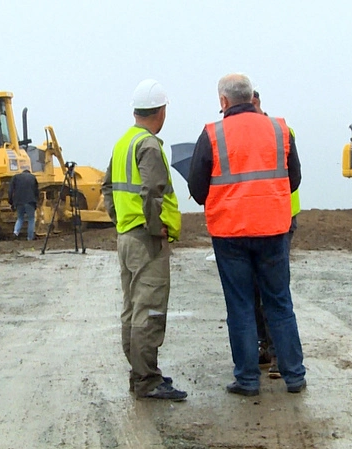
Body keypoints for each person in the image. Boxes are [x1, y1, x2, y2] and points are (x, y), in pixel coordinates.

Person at [187, 73, 306, 396]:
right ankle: (294, 376)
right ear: (252, 97)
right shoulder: (280, 130)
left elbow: (197, 188)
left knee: (240, 306)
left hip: (230, 233)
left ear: (223, 101)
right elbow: (293, 179)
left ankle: (247, 379)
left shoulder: (213, 134)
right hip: (273, 229)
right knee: (279, 303)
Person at [101, 79, 186, 401]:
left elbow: (107, 187)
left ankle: (140, 375)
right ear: (161, 111)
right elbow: (152, 190)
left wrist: (120, 220)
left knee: (132, 308)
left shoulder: (124, 142)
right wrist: (153, 228)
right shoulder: (148, 145)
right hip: (144, 239)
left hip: (127, 236)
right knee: (149, 310)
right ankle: (147, 380)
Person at [250, 89, 301, 380]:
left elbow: (293, 177)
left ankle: (279, 354)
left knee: (272, 288)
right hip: (256, 218)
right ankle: (266, 347)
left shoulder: (281, 131)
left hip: (279, 218)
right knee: (255, 289)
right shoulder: (242, 134)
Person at [8, 169, 39, 241]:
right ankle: (30, 237)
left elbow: (10, 191)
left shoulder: (15, 177)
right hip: (30, 201)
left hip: (19, 202)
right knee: (31, 219)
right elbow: (36, 191)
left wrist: (11, 202)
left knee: (20, 218)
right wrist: (36, 201)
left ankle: (15, 233)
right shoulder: (32, 177)